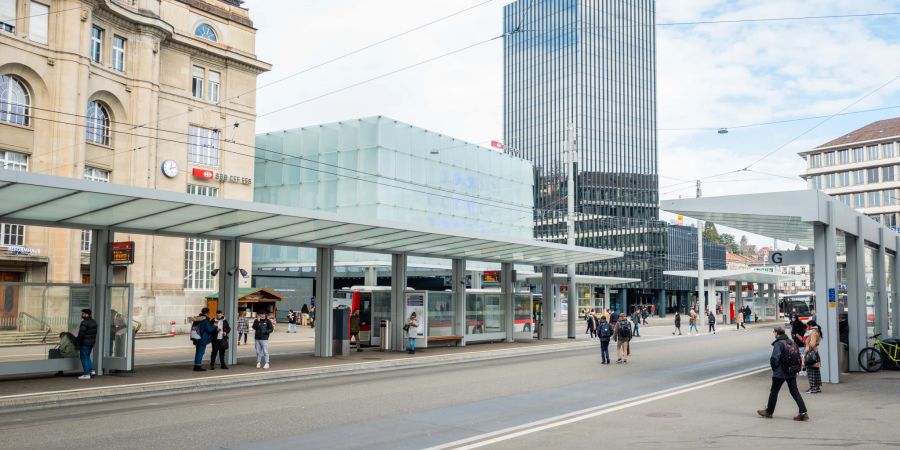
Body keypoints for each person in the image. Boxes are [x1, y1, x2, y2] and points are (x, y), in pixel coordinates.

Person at [758, 326, 808, 421]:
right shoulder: (792, 342)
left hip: (780, 373)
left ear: (776, 333)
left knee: (774, 391)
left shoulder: (779, 344)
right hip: (791, 371)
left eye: (774, 332)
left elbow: (774, 358)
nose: (774, 333)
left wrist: (774, 368)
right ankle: (803, 412)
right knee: (794, 391)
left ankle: (769, 412)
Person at [74, 308, 98, 380]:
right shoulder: (94, 322)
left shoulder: (84, 322)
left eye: (82, 313)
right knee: (87, 356)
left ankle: (86, 374)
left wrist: (76, 341)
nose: (81, 315)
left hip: (85, 343)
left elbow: (81, 334)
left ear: (87, 314)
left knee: (83, 357)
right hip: (91, 342)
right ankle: (91, 371)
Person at [191, 307, 216, 372]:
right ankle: (198, 366)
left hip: (196, 338)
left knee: (197, 352)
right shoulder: (205, 320)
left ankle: (196, 365)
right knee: (201, 353)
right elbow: (209, 330)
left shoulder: (197, 319)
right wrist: (214, 326)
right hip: (202, 339)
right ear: (207, 313)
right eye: (209, 313)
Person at [804, 320, 822, 394]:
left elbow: (812, 343)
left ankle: (813, 388)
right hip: (815, 352)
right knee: (815, 370)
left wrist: (806, 351)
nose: (807, 327)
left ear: (810, 325)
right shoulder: (816, 331)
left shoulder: (813, 332)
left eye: (807, 326)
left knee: (811, 371)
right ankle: (816, 387)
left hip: (811, 353)